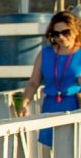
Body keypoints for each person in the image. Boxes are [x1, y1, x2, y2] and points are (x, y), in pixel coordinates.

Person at [19, 10, 81, 145]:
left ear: (76, 31)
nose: (61, 37)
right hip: (51, 105)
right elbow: (33, 83)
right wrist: (24, 103)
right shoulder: (45, 53)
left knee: (73, 147)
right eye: (56, 34)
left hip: (74, 105)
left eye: (66, 32)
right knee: (51, 148)